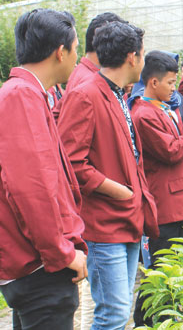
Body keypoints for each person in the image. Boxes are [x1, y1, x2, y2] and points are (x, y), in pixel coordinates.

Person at [57, 21, 159, 330]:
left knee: (120, 310)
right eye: (142, 53)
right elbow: (70, 163)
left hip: (126, 218)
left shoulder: (114, 93)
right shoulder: (87, 94)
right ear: (132, 57)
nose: (142, 60)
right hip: (104, 224)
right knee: (112, 315)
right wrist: (120, 191)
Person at [0, 8, 87, 330]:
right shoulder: (21, 97)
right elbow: (30, 189)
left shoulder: (29, 95)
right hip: (40, 270)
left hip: (35, 265)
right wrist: (62, 253)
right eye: (76, 49)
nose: (77, 58)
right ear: (60, 51)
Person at [130, 51, 183, 326]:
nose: (174, 88)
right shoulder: (143, 114)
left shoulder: (164, 108)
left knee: (180, 264)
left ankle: (169, 317)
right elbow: (171, 151)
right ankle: (145, 321)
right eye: (170, 83)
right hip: (166, 203)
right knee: (162, 267)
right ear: (153, 82)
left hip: (180, 198)